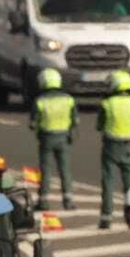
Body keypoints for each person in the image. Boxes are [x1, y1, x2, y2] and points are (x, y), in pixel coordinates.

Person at [96, 69, 130, 230]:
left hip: (111, 146)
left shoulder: (107, 104)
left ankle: (106, 217)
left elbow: (99, 125)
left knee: (108, 182)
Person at [29, 68, 77, 210]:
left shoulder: (40, 101)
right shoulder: (69, 99)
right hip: (64, 138)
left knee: (46, 170)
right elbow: (75, 120)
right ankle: (68, 200)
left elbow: (32, 123)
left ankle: (43, 201)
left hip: (46, 139)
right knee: (65, 169)